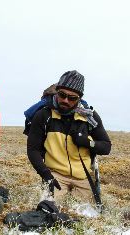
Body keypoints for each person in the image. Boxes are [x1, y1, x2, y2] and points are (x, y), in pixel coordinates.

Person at [26, 70, 111, 202]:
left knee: (87, 214)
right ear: (57, 92)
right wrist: (46, 175)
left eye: (72, 98)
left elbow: (106, 147)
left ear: (79, 98)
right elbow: (33, 149)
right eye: (62, 95)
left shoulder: (89, 116)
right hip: (55, 174)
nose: (65, 100)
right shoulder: (43, 115)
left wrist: (87, 143)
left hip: (83, 177)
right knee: (51, 210)